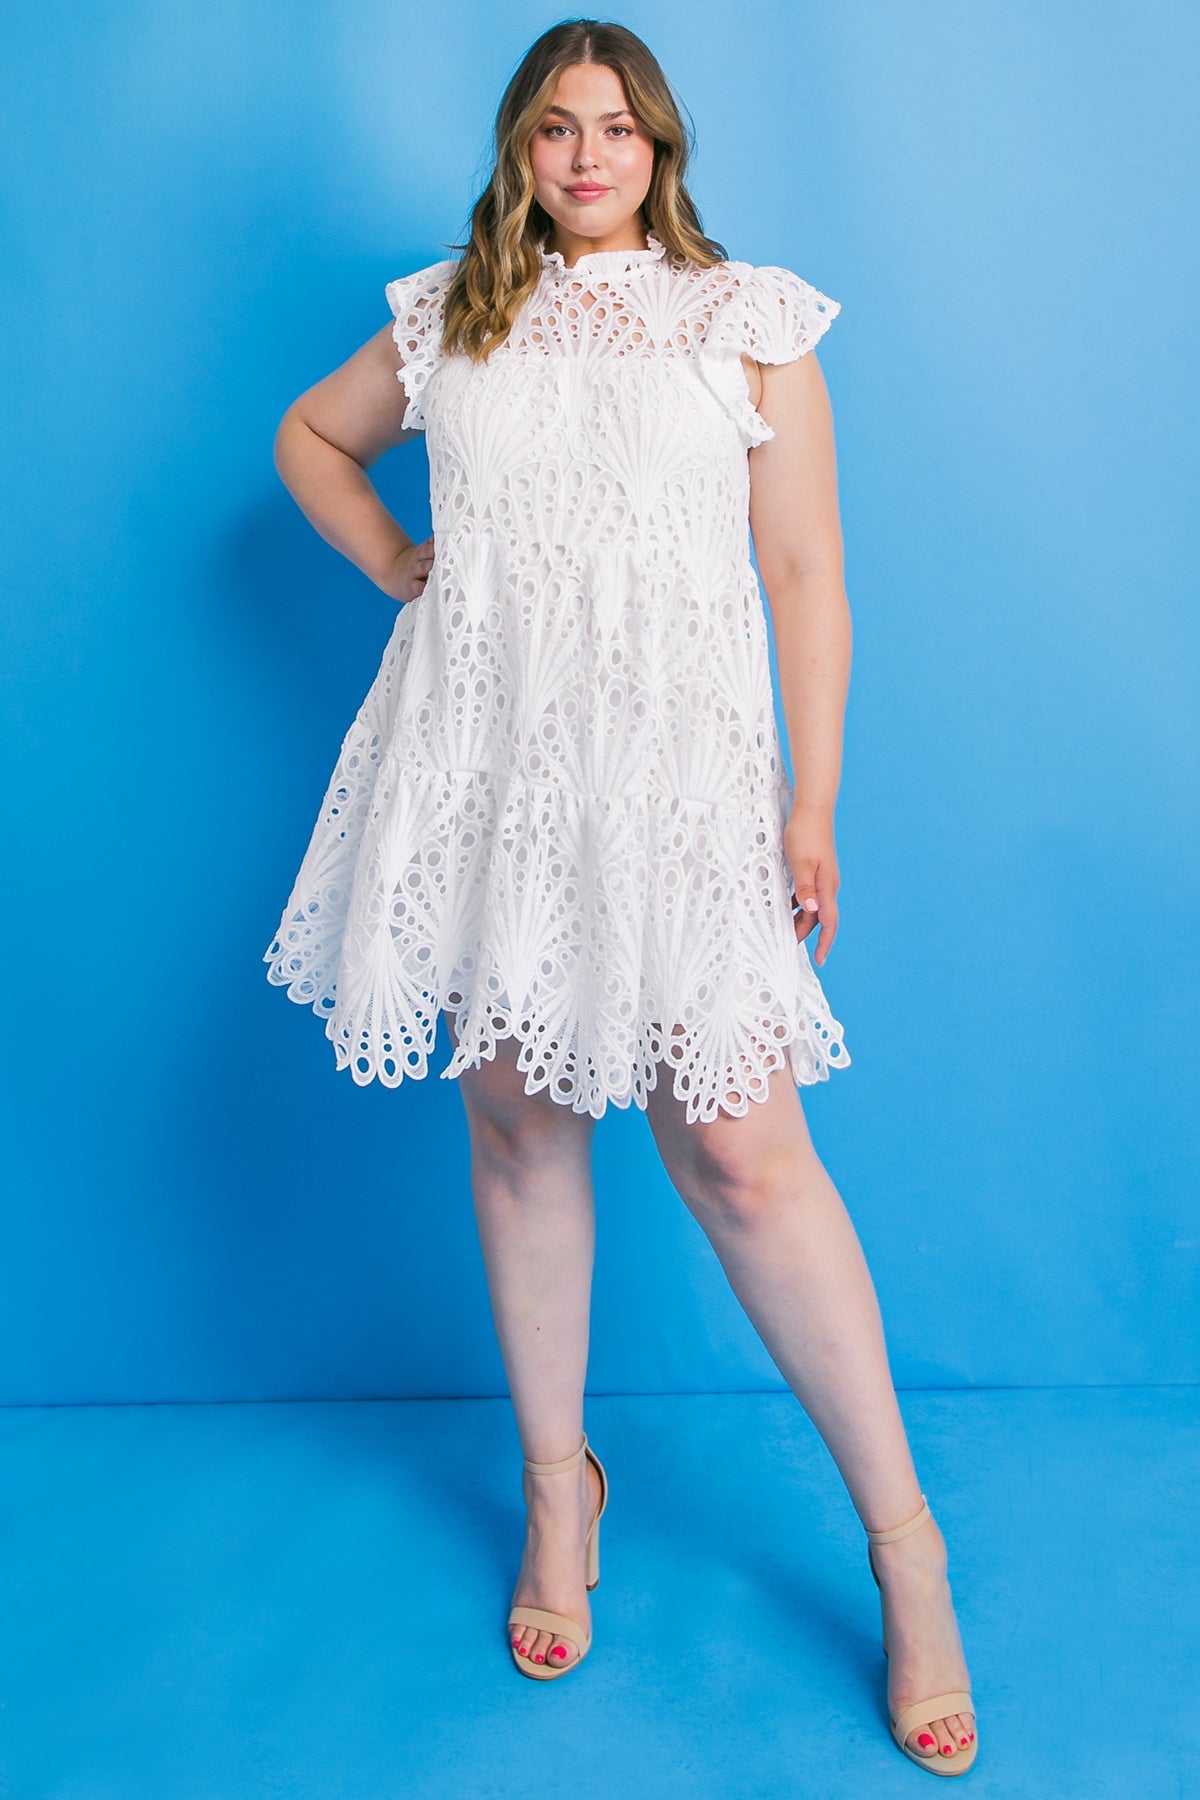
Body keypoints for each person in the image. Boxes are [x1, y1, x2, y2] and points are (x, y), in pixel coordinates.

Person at [263, 17, 977, 1778]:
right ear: (518, 153)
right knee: (517, 1120)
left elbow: (806, 572)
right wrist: (400, 562)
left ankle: (908, 1549)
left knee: (741, 1146)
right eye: (556, 130)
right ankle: (556, 1492)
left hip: (676, 781)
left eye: (621, 130)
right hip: (490, 769)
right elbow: (310, 439)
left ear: (663, 150)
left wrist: (809, 799)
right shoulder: (453, 313)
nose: (589, 158)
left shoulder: (749, 321)